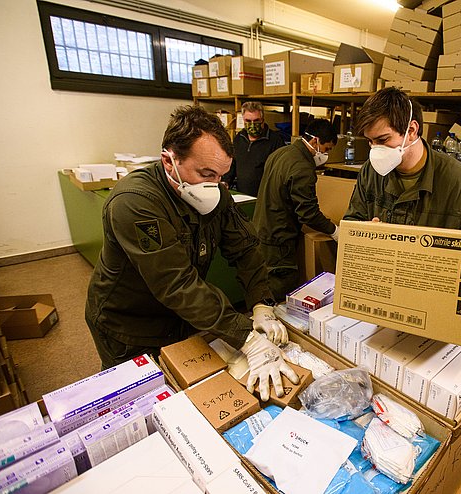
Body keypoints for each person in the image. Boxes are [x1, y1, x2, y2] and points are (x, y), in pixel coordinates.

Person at [85, 105, 298, 401]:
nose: (215, 186)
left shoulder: (213, 193)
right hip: (128, 324)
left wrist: (261, 303)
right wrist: (246, 337)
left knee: (183, 390)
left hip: (179, 318)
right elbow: (177, 284)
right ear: (169, 161)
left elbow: (245, 249)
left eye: (221, 177)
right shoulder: (134, 202)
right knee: (138, 402)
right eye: (205, 173)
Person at [344, 87, 461, 293]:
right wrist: (364, 233)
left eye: (383, 140)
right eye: (370, 142)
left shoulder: (459, 184)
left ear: (411, 131)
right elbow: (352, 220)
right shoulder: (371, 172)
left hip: (431, 294)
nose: (375, 150)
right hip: (383, 288)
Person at [253, 118, 339, 300]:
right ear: (315, 141)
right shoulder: (302, 167)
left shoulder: (281, 153)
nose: (326, 155)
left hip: (263, 229)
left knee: (265, 281)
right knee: (282, 285)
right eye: (327, 149)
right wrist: (334, 230)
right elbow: (308, 213)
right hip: (279, 239)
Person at [222, 101, 286, 196]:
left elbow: (281, 172)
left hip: (266, 198)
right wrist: (225, 182)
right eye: (248, 121)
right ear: (243, 121)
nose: (252, 124)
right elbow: (232, 163)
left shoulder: (275, 141)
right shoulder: (239, 139)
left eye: (256, 121)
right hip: (242, 195)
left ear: (263, 120)